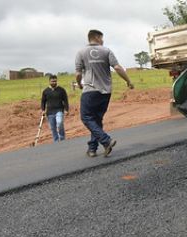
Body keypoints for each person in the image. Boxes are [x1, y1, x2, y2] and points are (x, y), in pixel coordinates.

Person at [75, 29, 134, 157]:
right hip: (106, 92)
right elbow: (117, 67)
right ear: (96, 37)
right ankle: (92, 149)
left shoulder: (81, 52)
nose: (103, 40)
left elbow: (78, 73)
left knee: (86, 117)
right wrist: (128, 81)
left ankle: (106, 140)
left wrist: (79, 84)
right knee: (96, 119)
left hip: (90, 91)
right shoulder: (106, 51)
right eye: (101, 38)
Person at [41, 74, 69, 142]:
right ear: (49, 81)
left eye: (55, 81)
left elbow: (65, 100)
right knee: (53, 128)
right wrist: (43, 110)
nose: (54, 82)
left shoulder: (61, 90)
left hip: (59, 110)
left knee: (59, 123)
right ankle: (56, 141)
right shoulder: (45, 91)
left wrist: (66, 109)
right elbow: (43, 102)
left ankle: (62, 139)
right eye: (52, 81)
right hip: (50, 112)